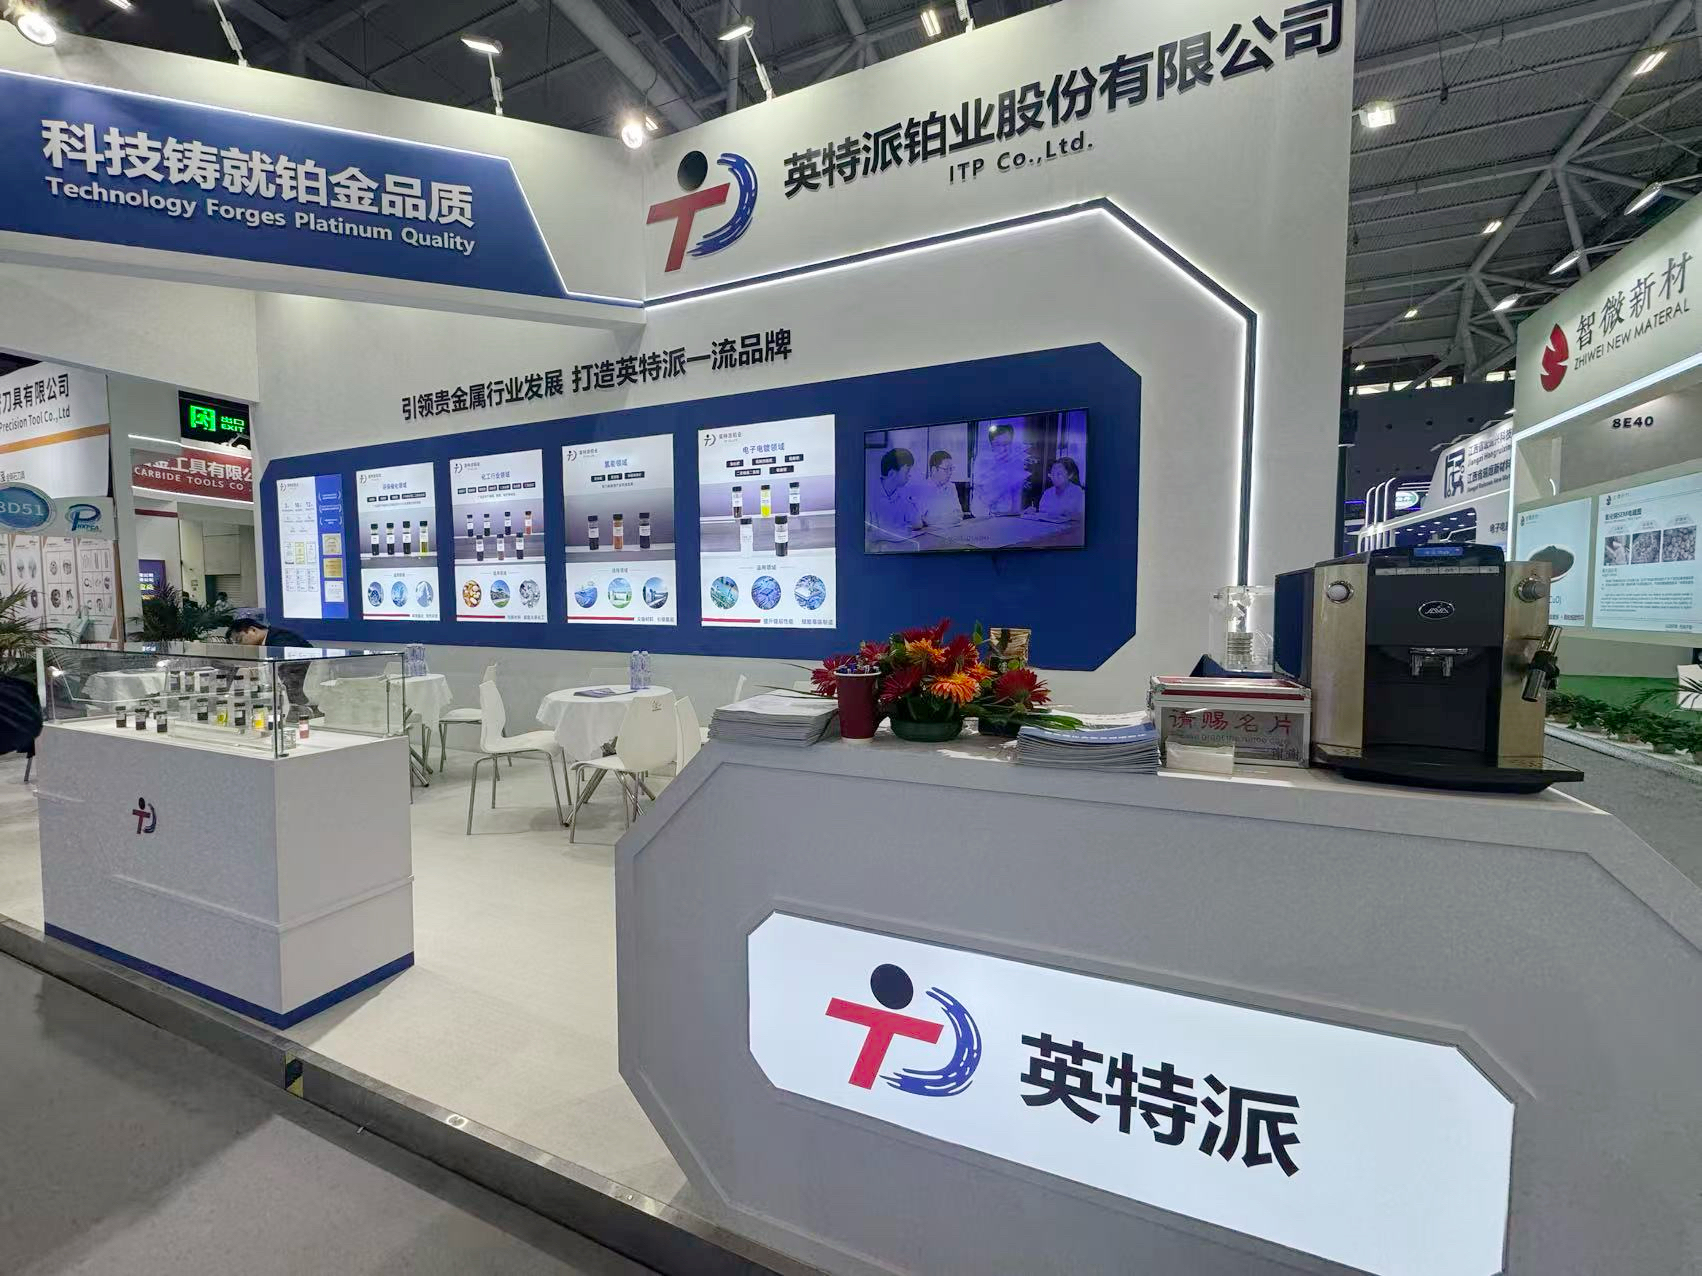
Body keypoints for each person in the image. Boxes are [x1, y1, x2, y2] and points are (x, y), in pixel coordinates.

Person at [227, 614, 316, 717]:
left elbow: (289, 673)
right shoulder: (268, 641)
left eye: (240, 640)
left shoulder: (280, 640)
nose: (241, 646)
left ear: (253, 630)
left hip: (305, 692)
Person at [969, 423, 1031, 518]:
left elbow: (1016, 496)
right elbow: (987, 498)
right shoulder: (983, 460)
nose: (1003, 449)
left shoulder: (1016, 462)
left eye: (1007, 444)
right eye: (998, 445)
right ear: (992, 445)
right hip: (983, 515)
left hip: (1006, 515)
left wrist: (1018, 513)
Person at [868, 447, 921, 541]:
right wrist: (898, 530)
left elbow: (918, 523)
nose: (909, 476)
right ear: (892, 474)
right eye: (907, 472)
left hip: (901, 545)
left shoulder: (904, 492)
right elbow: (867, 535)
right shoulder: (869, 494)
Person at [914, 451, 965, 529]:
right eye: (946, 469)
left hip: (953, 530)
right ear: (934, 470)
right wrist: (949, 518)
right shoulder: (922, 489)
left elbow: (959, 514)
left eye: (951, 469)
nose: (950, 473)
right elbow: (919, 521)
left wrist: (934, 519)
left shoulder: (951, 487)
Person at [1027, 456, 1086, 523]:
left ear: (1070, 475)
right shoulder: (1048, 493)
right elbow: (1043, 513)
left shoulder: (1078, 492)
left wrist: (1067, 514)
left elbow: (1084, 516)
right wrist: (1033, 512)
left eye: (1059, 474)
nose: (1054, 477)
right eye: (1052, 474)